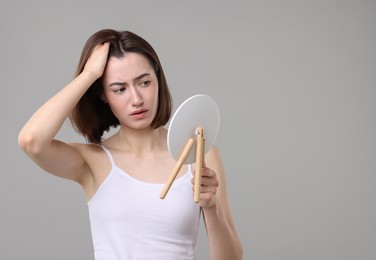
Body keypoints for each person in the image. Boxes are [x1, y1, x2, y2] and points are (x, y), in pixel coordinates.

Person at [18, 29, 243, 260]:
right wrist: (90, 74)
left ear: (158, 80)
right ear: (103, 95)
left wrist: (211, 206)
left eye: (144, 82)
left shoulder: (201, 155)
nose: (136, 100)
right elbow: (31, 140)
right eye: (119, 89)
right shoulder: (93, 161)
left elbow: (232, 258)